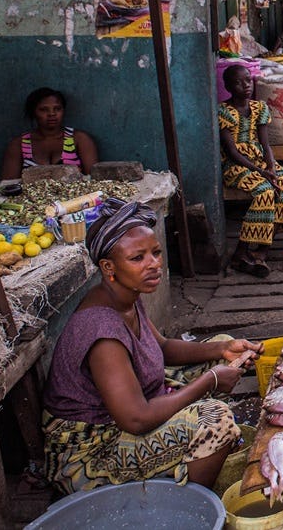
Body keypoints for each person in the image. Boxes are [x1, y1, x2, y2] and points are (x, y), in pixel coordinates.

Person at [42, 199, 261, 494]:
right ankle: (187, 504)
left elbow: (163, 348)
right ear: (108, 267)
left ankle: (188, 458)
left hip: (133, 408)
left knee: (220, 348)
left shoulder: (125, 295)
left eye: (156, 253)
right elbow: (136, 418)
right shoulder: (102, 333)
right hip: (93, 455)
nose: (154, 264)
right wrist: (211, 380)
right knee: (215, 420)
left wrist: (224, 349)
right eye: (138, 258)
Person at [218, 64, 283, 277]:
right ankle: (241, 251)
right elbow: (232, 152)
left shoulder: (259, 108)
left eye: (248, 80)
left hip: (259, 161)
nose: (246, 85)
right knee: (264, 192)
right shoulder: (223, 111)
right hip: (236, 165)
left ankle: (262, 251)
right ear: (228, 87)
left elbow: (266, 145)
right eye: (238, 83)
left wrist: (271, 167)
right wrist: (261, 172)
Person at [2, 88, 99, 179]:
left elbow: (95, 180)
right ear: (33, 112)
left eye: (57, 108)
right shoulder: (18, 145)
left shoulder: (80, 139)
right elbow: (8, 184)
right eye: (44, 109)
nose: (52, 114)